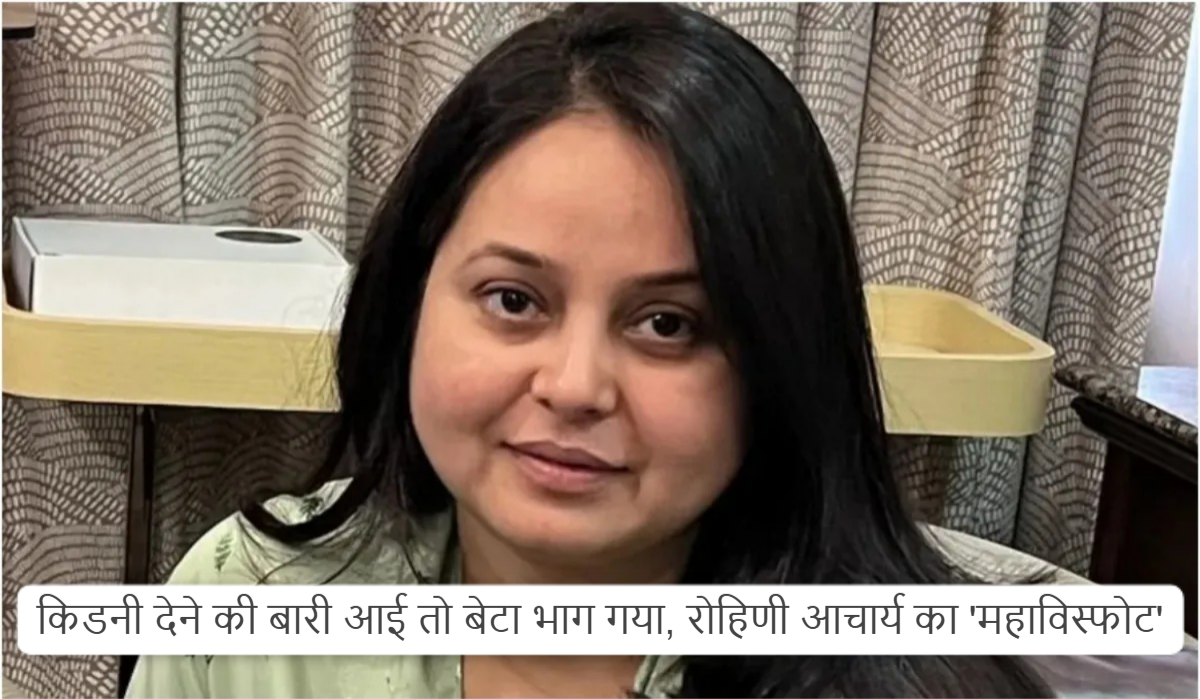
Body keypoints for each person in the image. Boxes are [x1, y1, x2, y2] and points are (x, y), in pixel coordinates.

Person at [126, 3, 1052, 697]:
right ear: (409, 301)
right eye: (513, 300)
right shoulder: (250, 608)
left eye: (668, 324)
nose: (574, 387)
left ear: (780, 364)